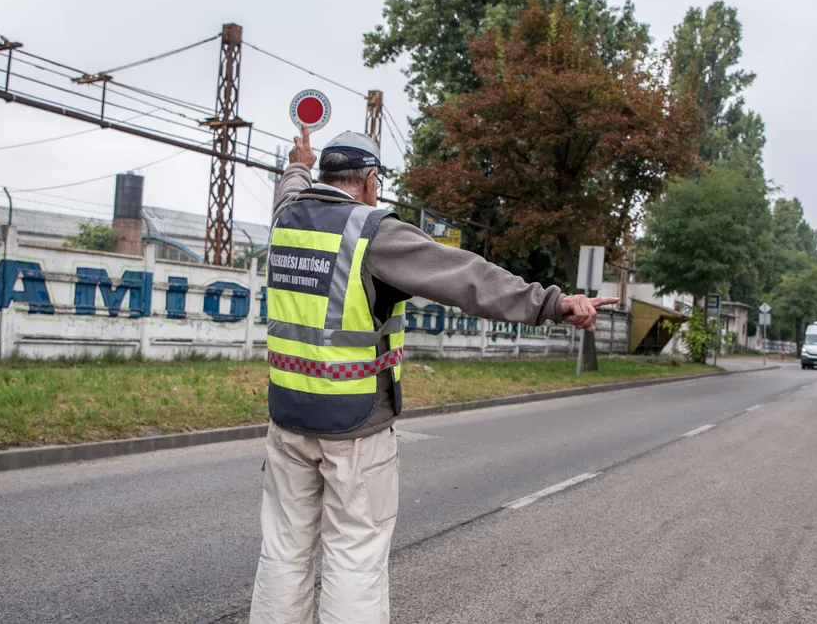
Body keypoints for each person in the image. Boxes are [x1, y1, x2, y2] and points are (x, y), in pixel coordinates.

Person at [249, 128, 618, 624]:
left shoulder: (286, 219)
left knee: (283, 552)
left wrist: (298, 161)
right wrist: (552, 302)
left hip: (288, 420)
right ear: (370, 181)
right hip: (356, 428)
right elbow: (467, 277)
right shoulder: (373, 232)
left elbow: (290, 186)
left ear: (324, 175)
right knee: (354, 557)